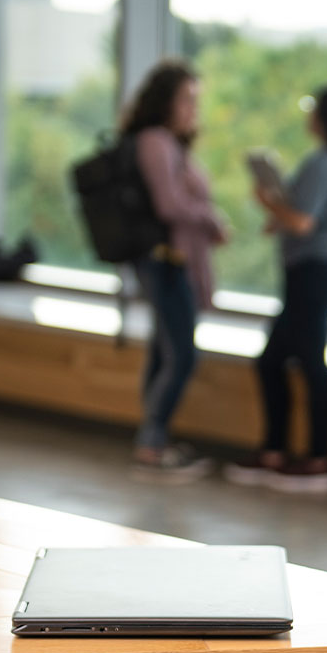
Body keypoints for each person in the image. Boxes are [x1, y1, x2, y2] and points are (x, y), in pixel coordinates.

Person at [225, 84, 327, 494]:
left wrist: (267, 202)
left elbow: (303, 222)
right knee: (279, 360)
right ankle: (278, 451)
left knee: (302, 363)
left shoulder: (324, 162)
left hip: (314, 273)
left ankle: (315, 460)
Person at [122, 58, 228, 480]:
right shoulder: (155, 141)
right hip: (166, 261)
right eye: (187, 99)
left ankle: (154, 437)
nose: (192, 108)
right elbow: (168, 205)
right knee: (181, 354)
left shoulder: (168, 142)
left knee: (164, 349)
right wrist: (209, 218)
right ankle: (152, 442)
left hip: (172, 261)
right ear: (165, 101)